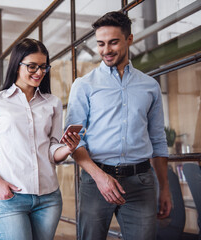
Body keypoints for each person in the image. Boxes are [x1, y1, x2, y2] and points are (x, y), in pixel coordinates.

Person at [65, 11, 172, 240]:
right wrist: (99, 176)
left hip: (141, 183)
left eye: (113, 42)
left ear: (129, 39)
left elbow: (158, 141)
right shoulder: (84, 85)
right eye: (100, 44)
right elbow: (73, 141)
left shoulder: (150, 86)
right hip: (96, 180)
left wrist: (164, 187)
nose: (106, 50)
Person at [0, 38, 80, 240]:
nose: (39, 72)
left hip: (49, 198)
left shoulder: (52, 103)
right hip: (11, 198)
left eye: (43, 67)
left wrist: (68, 148)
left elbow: (53, 149)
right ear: (17, 65)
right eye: (32, 66)